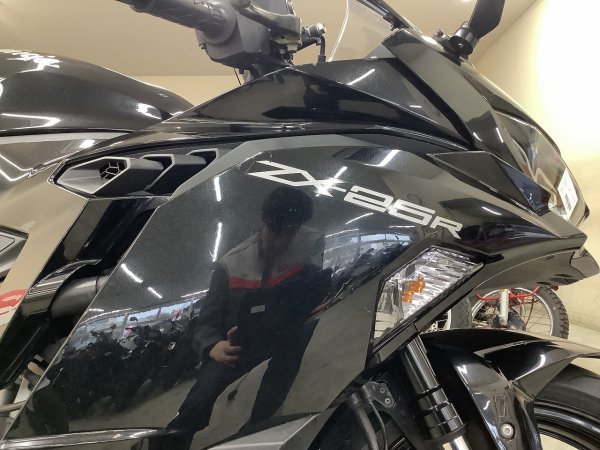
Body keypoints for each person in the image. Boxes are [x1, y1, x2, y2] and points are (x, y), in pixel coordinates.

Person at [165, 186, 330, 448]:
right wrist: (212, 346)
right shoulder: (229, 265)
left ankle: (259, 425)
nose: (281, 242)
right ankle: (172, 441)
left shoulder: (312, 243)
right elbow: (205, 323)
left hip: (281, 333)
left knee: (298, 343)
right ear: (263, 222)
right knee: (200, 398)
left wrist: (316, 304)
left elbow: (313, 286)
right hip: (235, 347)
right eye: (275, 232)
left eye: (290, 233)